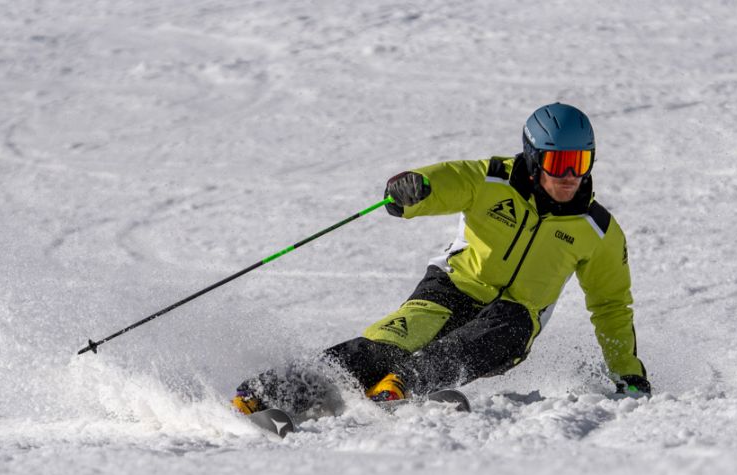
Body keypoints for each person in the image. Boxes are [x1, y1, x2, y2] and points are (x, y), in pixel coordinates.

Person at [231, 102, 650, 416]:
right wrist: (413, 190)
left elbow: (611, 305)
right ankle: (268, 392)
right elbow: (445, 181)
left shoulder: (597, 230)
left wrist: (628, 374)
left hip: (515, 315)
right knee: (391, 340)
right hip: (450, 288)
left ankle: (401, 386)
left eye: (580, 162)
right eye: (559, 162)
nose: (569, 176)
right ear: (535, 157)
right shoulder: (491, 179)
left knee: (498, 330)